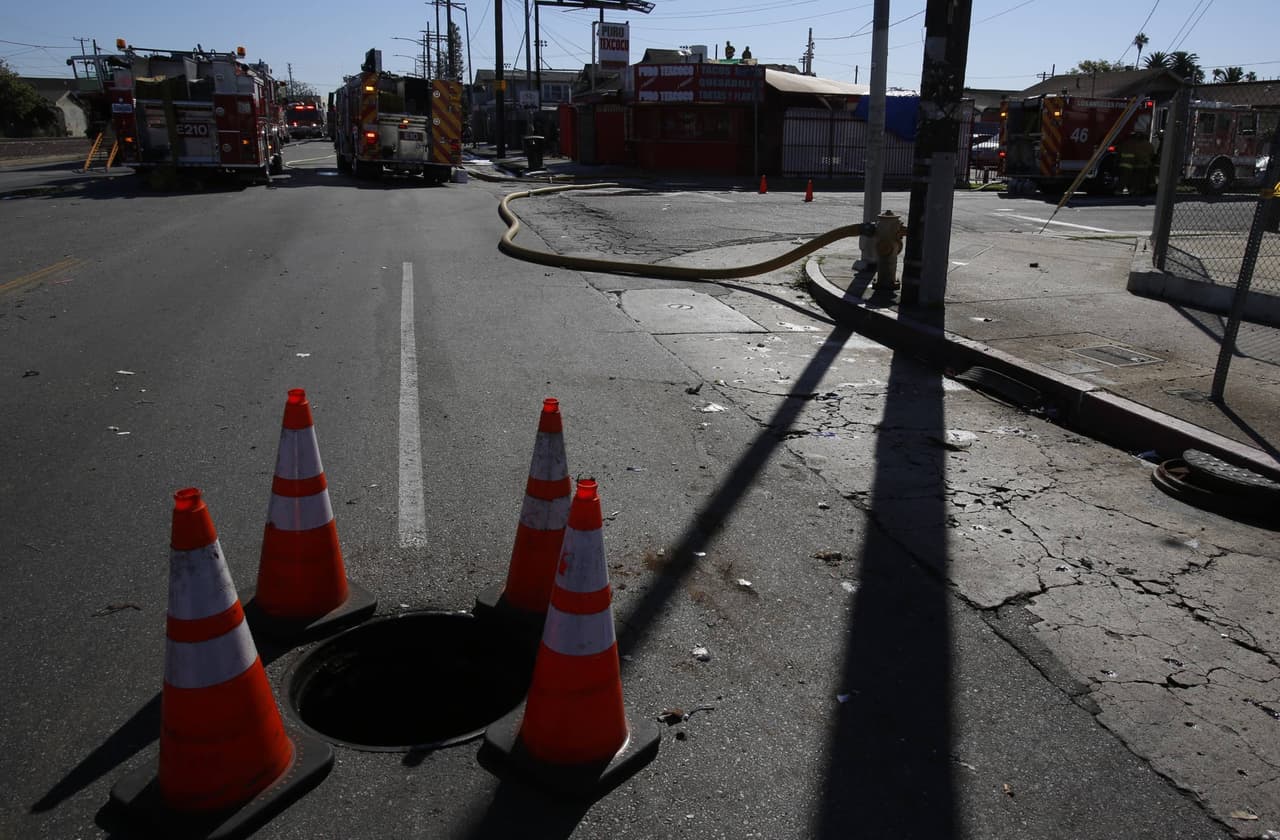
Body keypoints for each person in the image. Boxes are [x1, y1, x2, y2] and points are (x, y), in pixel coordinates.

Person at [1118, 112, 1156, 196]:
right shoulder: (1147, 145)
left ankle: (1123, 190)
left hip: (1130, 164)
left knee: (1126, 178)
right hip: (1141, 164)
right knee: (1140, 179)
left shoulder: (1128, 142)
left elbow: (1120, 150)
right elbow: (1151, 154)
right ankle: (1138, 190)